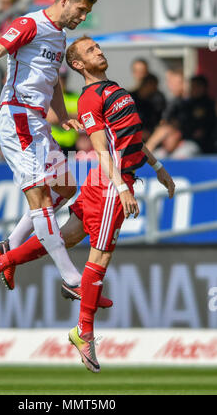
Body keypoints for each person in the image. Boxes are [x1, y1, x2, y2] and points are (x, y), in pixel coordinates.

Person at [0, 0, 98, 303]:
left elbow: (52, 81)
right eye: (81, 11)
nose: (82, 18)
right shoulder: (30, 24)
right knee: (40, 198)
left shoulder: (60, 36)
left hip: (38, 123)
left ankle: (6, 248)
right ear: (66, 0)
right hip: (17, 118)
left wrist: (63, 113)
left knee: (67, 188)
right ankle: (72, 278)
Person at [63, 35, 175, 372]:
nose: (99, 50)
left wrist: (158, 168)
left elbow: (133, 140)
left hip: (117, 179)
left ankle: (2, 258)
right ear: (78, 65)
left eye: (98, 46)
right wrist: (122, 189)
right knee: (101, 253)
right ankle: (84, 331)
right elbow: (102, 148)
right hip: (113, 182)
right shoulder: (91, 96)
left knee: (65, 237)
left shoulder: (116, 89)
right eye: (90, 49)